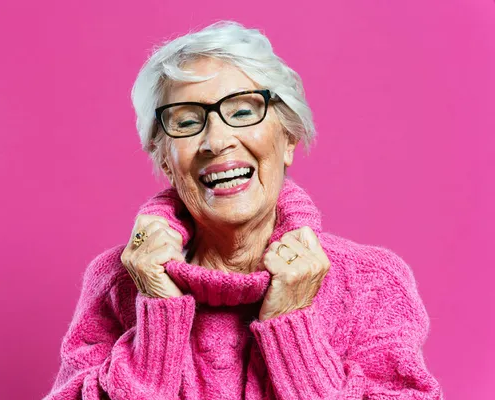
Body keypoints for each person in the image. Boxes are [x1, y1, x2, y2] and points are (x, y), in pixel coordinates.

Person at [44, 21, 442, 399]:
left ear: (288, 138)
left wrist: (292, 323)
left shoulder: (370, 281)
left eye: (243, 111)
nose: (216, 141)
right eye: (186, 121)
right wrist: (157, 317)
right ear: (166, 160)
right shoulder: (118, 280)